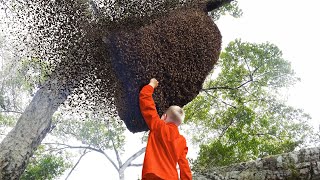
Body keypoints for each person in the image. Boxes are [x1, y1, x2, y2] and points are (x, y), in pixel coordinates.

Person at [139, 78, 192, 180]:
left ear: (164, 117)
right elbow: (184, 165)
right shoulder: (181, 141)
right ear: (178, 124)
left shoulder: (158, 125)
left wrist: (151, 85)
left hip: (153, 176)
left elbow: (146, 103)